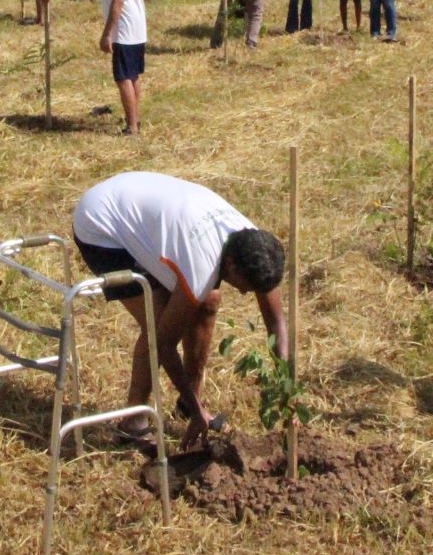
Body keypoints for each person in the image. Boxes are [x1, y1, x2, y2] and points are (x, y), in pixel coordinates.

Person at [72, 171, 287, 446]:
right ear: (231, 265)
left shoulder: (254, 245)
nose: (245, 293)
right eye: (245, 286)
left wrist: (287, 386)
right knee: (157, 319)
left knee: (208, 301)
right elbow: (163, 343)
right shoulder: (202, 266)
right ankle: (132, 422)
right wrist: (200, 411)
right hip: (102, 224)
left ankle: (187, 405)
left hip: (141, 202)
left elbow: (277, 324)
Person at [42, 0, 147, 135]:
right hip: (138, 24)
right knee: (133, 75)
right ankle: (135, 119)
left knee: (123, 78)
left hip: (124, 27)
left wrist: (107, 34)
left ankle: (132, 127)